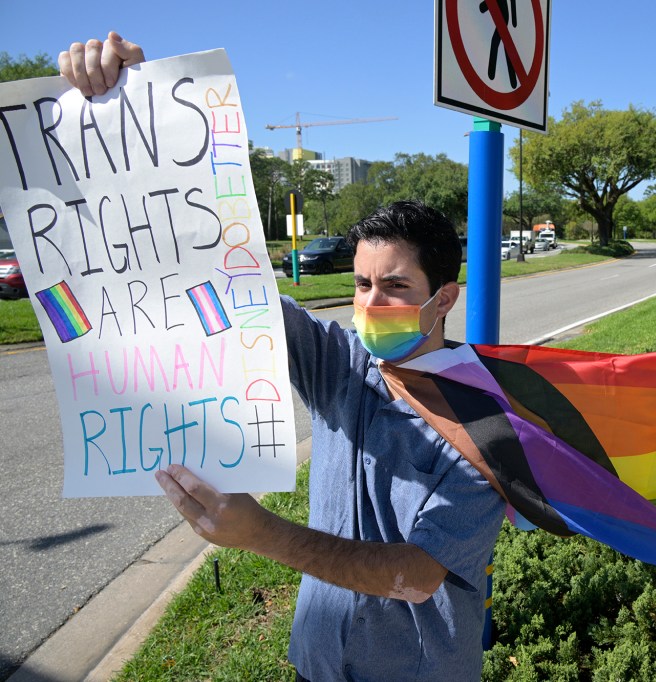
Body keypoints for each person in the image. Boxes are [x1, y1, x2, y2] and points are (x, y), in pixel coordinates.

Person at [60, 35, 506, 682]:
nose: (370, 302)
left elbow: (413, 576)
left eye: (395, 286)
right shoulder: (341, 363)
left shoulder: (486, 420)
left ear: (443, 298)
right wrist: (133, 116)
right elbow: (222, 274)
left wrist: (261, 533)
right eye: (361, 284)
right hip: (315, 664)